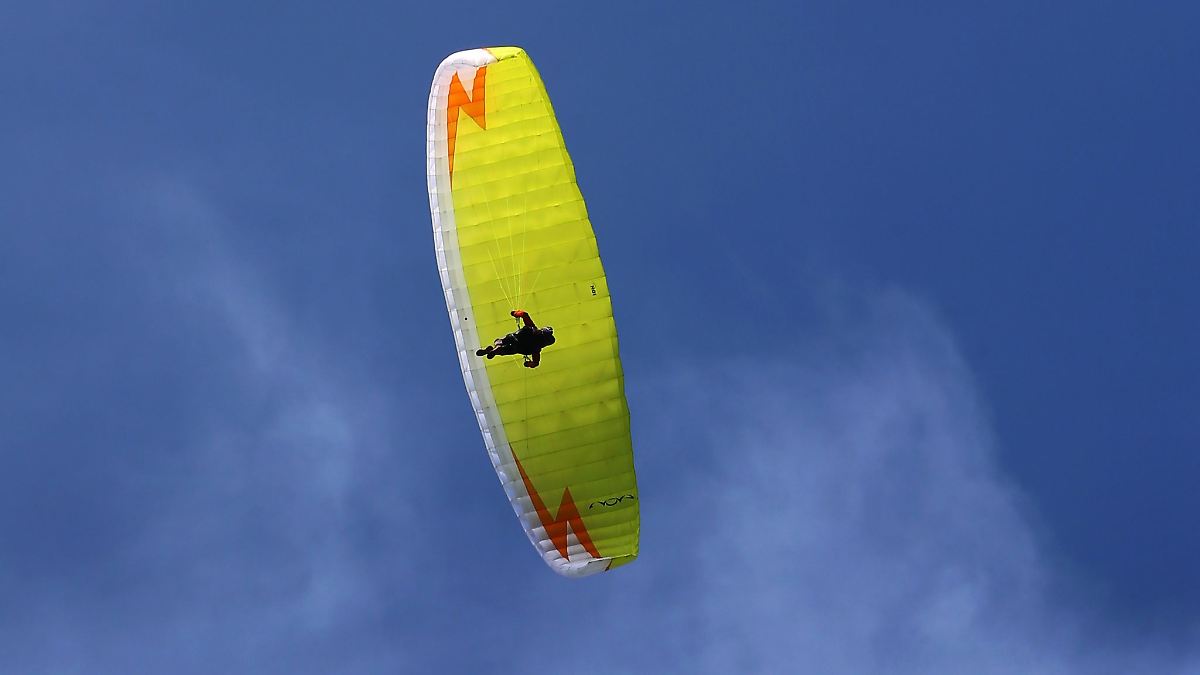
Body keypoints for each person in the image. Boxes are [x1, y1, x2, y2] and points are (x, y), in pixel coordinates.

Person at [476, 310, 556, 368]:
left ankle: (496, 347)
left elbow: (524, 314)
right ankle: (495, 351)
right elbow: (535, 363)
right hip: (516, 348)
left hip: (513, 337)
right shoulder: (537, 350)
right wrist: (528, 364)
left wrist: (515, 313)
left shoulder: (532, 328)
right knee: (503, 351)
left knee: (499, 340)